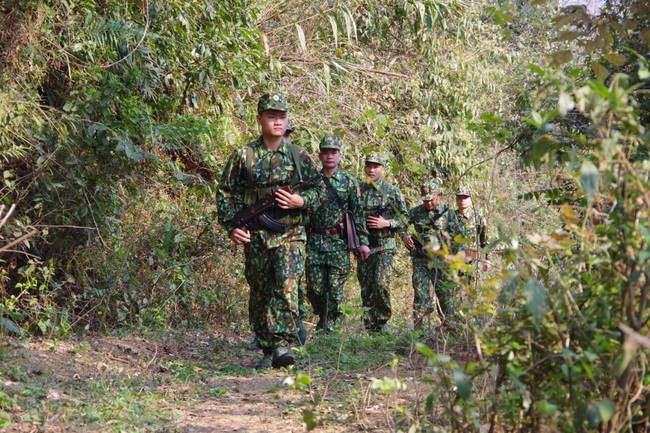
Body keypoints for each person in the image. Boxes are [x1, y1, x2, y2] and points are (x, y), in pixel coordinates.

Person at [216, 93, 322, 369]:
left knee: (286, 285)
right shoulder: (244, 156)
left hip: (291, 234)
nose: (277, 122)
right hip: (257, 236)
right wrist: (231, 226)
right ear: (260, 118)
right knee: (260, 291)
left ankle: (283, 344)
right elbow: (225, 192)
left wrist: (302, 201)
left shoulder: (299, 156)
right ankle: (268, 346)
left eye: (282, 117)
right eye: (271, 116)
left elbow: (319, 190)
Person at [306, 134, 371, 333]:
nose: (329, 156)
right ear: (319, 155)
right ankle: (323, 316)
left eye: (333, 152)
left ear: (340, 155)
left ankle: (331, 325)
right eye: (325, 152)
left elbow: (357, 213)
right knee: (315, 288)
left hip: (338, 242)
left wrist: (363, 242)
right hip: (315, 240)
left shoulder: (350, 182)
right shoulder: (311, 180)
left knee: (335, 287)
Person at [357, 152, 408, 333]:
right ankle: (370, 326)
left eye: (376, 166)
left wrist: (387, 223)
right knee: (367, 286)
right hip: (364, 246)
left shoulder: (392, 192)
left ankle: (383, 321)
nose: (371, 169)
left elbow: (405, 218)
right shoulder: (358, 190)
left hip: (385, 245)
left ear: (383, 169)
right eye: (368, 165)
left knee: (381, 283)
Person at [402, 181, 450, 328]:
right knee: (420, 293)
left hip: (441, 261)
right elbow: (401, 224)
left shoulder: (448, 214)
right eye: (425, 200)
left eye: (431, 199)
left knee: (444, 295)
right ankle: (418, 330)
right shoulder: (416, 212)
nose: (428, 203)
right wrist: (405, 236)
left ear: (438, 196)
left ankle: (448, 327)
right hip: (421, 260)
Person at [445, 186, 491, 274]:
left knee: (469, 287)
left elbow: (484, 241)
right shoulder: (449, 217)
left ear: (470, 199)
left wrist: (487, 259)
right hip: (452, 262)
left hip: (470, 263)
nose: (462, 200)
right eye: (460, 197)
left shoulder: (478, 218)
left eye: (465, 197)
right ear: (456, 199)